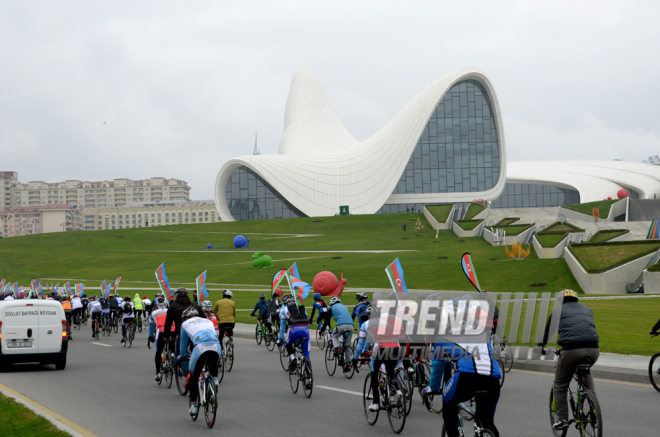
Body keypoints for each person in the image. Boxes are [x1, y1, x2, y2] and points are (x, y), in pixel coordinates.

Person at [539, 289, 599, 431]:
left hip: (571, 350)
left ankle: (562, 419)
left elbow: (548, 333)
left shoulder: (557, 312)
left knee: (560, 385)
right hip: (594, 350)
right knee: (586, 374)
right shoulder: (588, 310)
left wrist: (540, 347)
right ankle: (593, 408)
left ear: (561, 300)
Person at [179, 306, 221, 417]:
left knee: (194, 376)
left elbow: (183, 345)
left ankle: (193, 406)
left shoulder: (185, 324)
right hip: (216, 346)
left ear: (186, 317)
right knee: (212, 362)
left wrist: (182, 356)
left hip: (200, 347)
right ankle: (215, 380)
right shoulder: (208, 320)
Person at [163, 288, 206, 374]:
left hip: (183, 332)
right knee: (198, 350)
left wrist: (167, 336)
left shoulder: (173, 306)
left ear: (177, 296)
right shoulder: (195, 305)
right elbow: (204, 318)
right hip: (197, 332)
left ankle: (186, 374)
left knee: (181, 353)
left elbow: (168, 323)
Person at [148, 297, 173, 382]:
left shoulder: (154, 313)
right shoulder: (170, 311)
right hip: (172, 330)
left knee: (158, 352)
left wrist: (150, 336)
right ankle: (173, 355)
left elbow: (151, 326)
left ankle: (158, 373)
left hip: (161, 331)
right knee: (174, 347)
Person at [325, 297, 354, 366]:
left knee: (334, 336)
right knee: (347, 345)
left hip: (340, 325)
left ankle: (337, 348)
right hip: (351, 325)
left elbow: (326, 319)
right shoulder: (344, 306)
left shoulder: (332, 308)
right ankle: (349, 363)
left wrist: (322, 330)